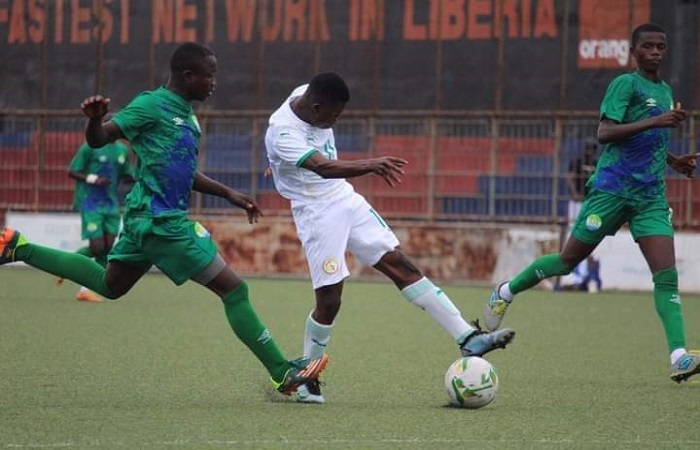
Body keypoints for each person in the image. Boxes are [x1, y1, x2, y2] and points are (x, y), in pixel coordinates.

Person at [0, 42, 327, 396]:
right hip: (161, 223)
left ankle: (18, 247)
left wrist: (228, 194)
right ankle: (282, 372)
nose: (213, 83)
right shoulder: (150, 105)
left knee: (110, 285)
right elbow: (99, 139)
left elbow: (181, 170)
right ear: (188, 76)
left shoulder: (187, 113)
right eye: (209, 76)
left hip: (147, 216)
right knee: (234, 289)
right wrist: (95, 120)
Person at [264, 72, 515, 404]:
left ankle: (469, 338)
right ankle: (309, 378)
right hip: (316, 212)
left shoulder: (305, 94)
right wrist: (371, 164)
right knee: (330, 300)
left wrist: (276, 165)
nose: (335, 121)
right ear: (315, 106)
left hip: (344, 198)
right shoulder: (283, 132)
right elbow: (322, 166)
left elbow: (314, 162)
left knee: (400, 264)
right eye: (333, 116)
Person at [484, 23, 700, 383]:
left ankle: (678, 356)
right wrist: (658, 120)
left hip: (650, 197)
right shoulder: (625, 85)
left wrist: (673, 159)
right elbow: (605, 133)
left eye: (661, 46)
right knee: (568, 262)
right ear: (634, 52)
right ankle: (506, 290)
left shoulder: (664, 90)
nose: (656, 52)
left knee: (666, 275)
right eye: (647, 46)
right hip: (611, 190)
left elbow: (649, 142)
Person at [58, 136, 135, 302]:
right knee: (97, 246)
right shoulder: (90, 146)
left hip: (110, 204)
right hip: (90, 202)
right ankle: (64, 266)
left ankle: (85, 290)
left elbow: (127, 174)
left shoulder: (122, 150)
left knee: (107, 248)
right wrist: (93, 179)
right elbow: (72, 171)